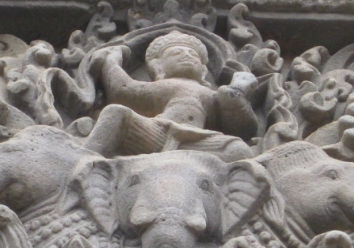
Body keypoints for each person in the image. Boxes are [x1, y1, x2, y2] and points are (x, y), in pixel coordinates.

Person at [85, 31, 257, 161]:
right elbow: (124, 91)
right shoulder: (164, 85)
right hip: (157, 134)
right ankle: (88, 160)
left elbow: (242, 128)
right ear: (158, 66)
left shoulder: (210, 94)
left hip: (196, 141)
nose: (187, 56)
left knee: (239, 150)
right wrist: (111, 61)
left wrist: (235, 94)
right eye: (176, 53)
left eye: (193, 55)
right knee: (116, 113)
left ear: (203, 70)